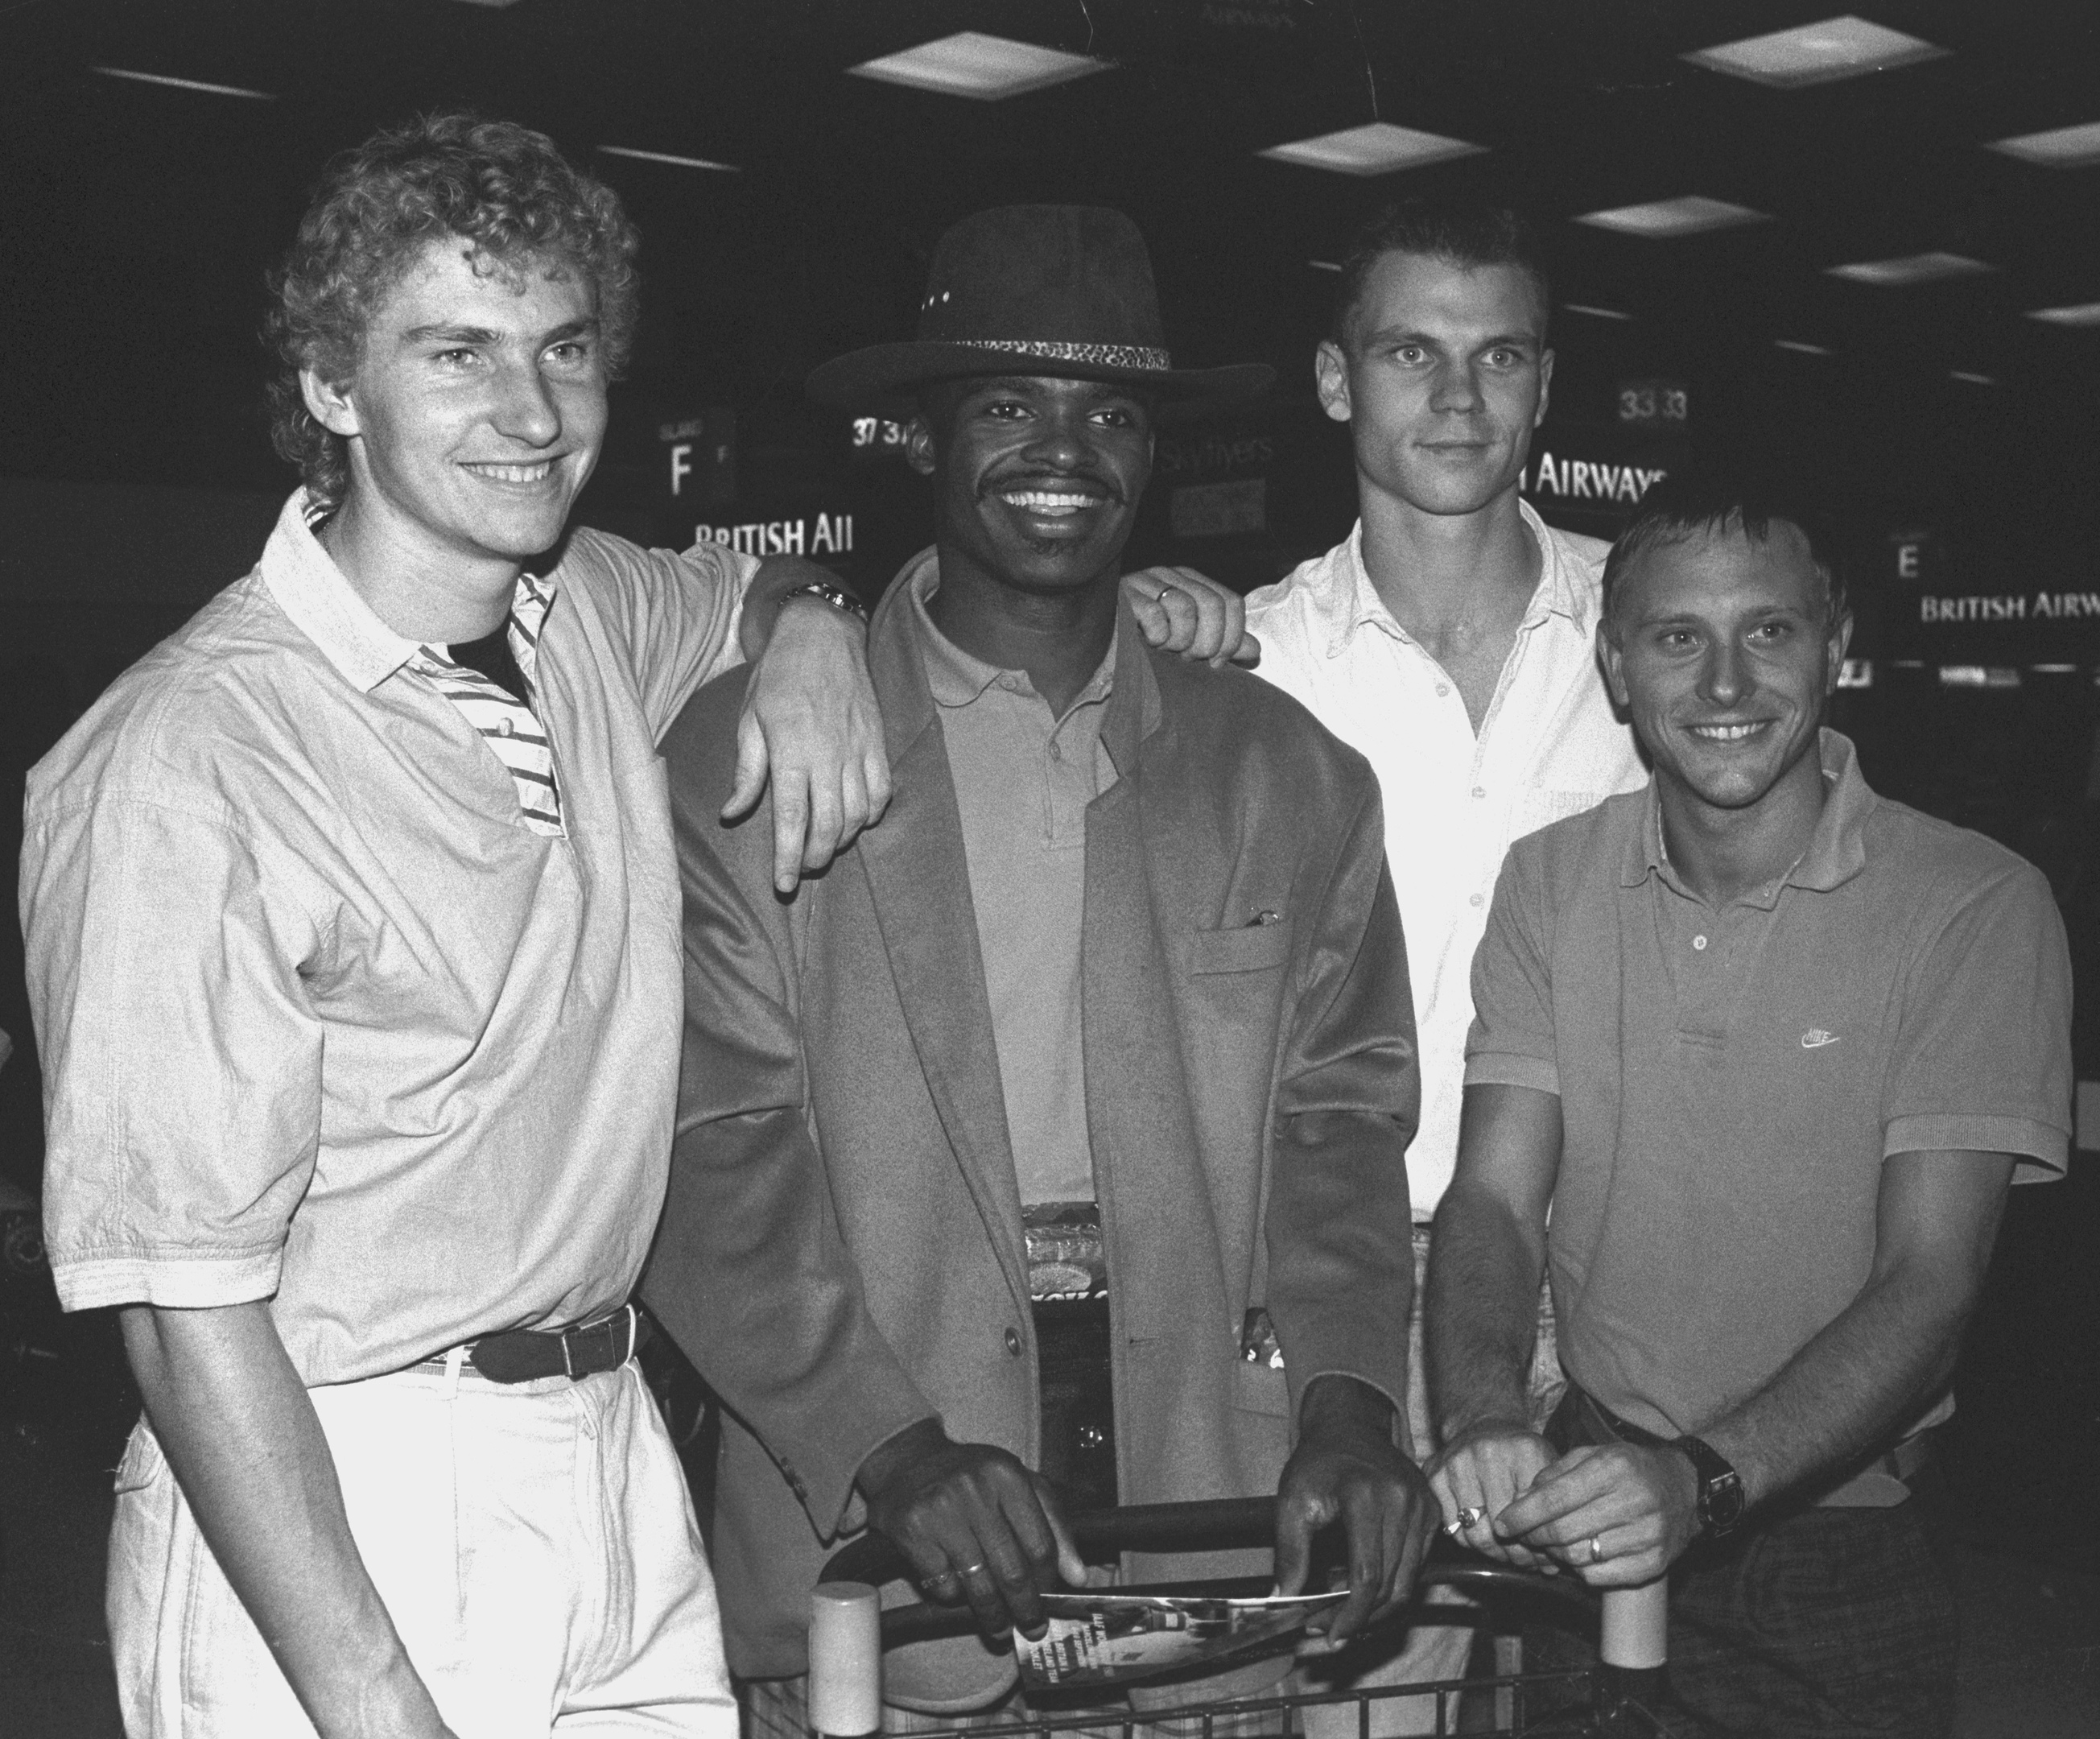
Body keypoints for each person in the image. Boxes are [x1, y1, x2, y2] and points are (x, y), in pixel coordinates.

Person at [18, 118, 1241, 1739]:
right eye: (455, 353)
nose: (529, 414)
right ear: (332, 385)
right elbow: (182, 1314)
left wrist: (809, 633)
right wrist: (374, 1695)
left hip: (612, 1452)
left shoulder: (581, 607)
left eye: (565, 349)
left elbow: (746, 595)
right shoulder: (185, 759)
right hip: (341, 1485)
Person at [643, 204, 1435, 1730]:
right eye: (1007, 404)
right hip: (885, 1516)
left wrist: (1348, 1404)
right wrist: (890, 1443)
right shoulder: (745, 760)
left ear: (1151, 453)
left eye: (1109, 413)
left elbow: (1335, 1124)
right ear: (923, 436)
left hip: (1213, 1499)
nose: (1061, 449)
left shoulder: (1286, 774)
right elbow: (708, 1143)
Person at [1425, 471, 2072, 1736]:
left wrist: (1701, 1483)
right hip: (1587, 1512)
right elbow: (1495, 1199)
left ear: (1835, 649)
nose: (1723, 686)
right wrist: (1483, 1415)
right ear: (1616, 668)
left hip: (1834, 1543)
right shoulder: (1549, 882)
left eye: (1766, 631)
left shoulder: (1973, 905)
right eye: (1677, 638)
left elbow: (1928, 1287)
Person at [1241, 197, 1647, 1707]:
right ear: (1339, 380)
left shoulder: (1657, 631)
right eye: (1412, 351)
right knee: (1375, 1694)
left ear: (1545, 387)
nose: (1458, 397)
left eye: (1500, 357)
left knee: (1624, 1693)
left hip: (1610, 1270)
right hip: (1341, 1273)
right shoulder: (1247, 661)